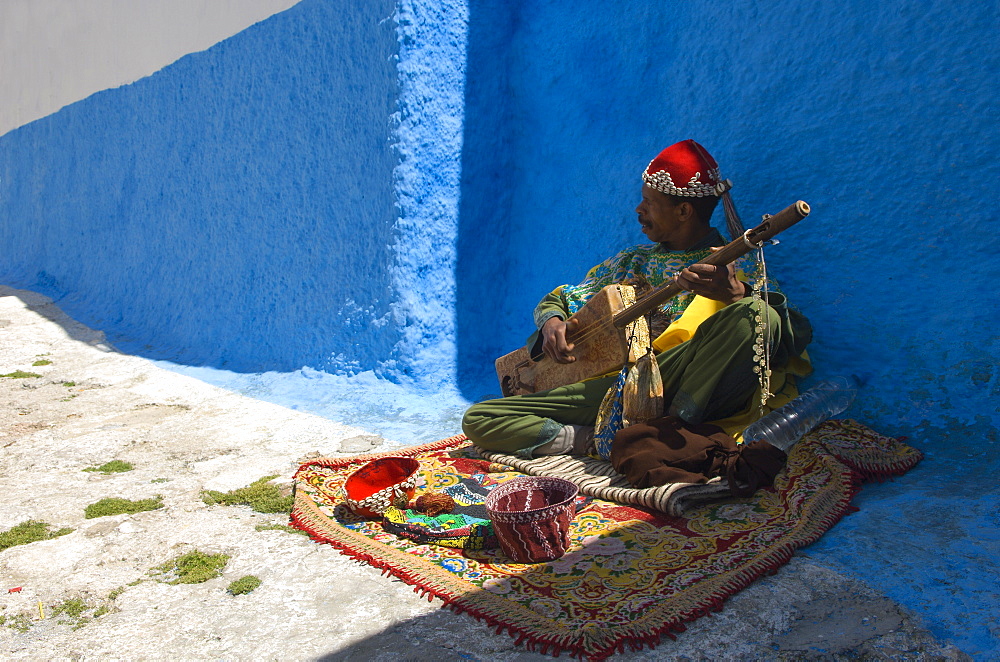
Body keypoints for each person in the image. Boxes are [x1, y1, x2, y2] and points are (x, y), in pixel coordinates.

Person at [462, 140, 812, 460]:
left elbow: (789, 332)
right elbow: (560, 298)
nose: (638, 209)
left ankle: (670, 428)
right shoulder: (634, 260)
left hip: (678, 380)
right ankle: (598, 440)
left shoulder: (736, 262)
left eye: (650, 202)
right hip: (616, 387)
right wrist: (552, 322)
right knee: (480, 418)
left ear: (684, 212)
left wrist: (737, 294)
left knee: (755, 313)